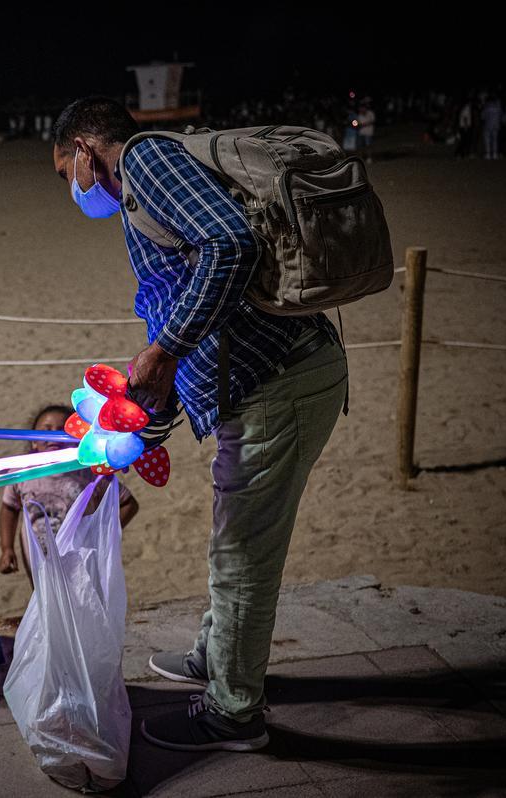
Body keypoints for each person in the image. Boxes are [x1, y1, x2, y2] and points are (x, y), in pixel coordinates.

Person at [51, 97, 348, 752]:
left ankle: (234, 714)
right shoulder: (141, 194)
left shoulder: (146, 160)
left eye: (63, 170)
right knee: (231, 541)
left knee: (243, 552)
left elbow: (229, 244)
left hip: (282, 381)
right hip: (264, 383)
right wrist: (143, 421)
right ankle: (218, 660)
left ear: (82, 150)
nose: (69, 186)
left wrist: (164, 349)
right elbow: (201, 293)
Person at [0, 405, 138, 587]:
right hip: (39, 558)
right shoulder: (21, 472)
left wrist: (102, 533)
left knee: (85, 601)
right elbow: (9, 508)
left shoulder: (90, 472)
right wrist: (7, 548)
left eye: (62, 430)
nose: (53, 436)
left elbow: (128, 503)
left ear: (76, 438)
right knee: (45, 603)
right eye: (46, 431)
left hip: (83, 558)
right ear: (33, 441)